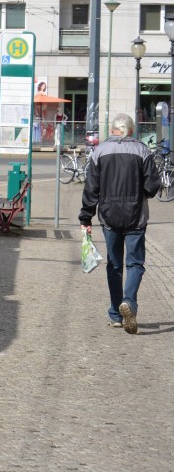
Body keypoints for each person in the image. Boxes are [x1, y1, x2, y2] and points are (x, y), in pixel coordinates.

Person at [79, 113, 161, 334]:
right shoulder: (142, 150)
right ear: (131, 130)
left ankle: (116, 314)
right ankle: (129, 302)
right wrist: (140, 194)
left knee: (114, 265)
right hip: (136, 215)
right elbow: (153, 185)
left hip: (109, 216)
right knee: (135, 264)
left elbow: (91, 188)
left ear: (112, 129)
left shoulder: (100, 151)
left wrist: (86, 217)